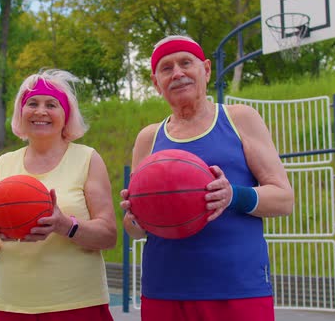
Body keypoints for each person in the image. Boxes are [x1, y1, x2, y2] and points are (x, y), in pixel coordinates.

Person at [120, 35, 294, 321]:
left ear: (206, 69)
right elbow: (135, 231)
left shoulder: (240, 119)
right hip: (164, 289)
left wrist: (232, 195)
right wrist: (136, 216)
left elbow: (284, 199)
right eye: (166, 68)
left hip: (236, 288)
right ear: (156, 82)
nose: (177, 73)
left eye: (186, 63)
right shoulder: (149, 138)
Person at [0, 69, 117, 321]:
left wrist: (65, 225)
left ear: (66, 116)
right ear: (21, 113)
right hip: (11, 304)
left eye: (51, 104)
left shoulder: (86, 158)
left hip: (77, 302)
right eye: (32, 103)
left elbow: (108, 235)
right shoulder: (4, 164)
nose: (40, 111)